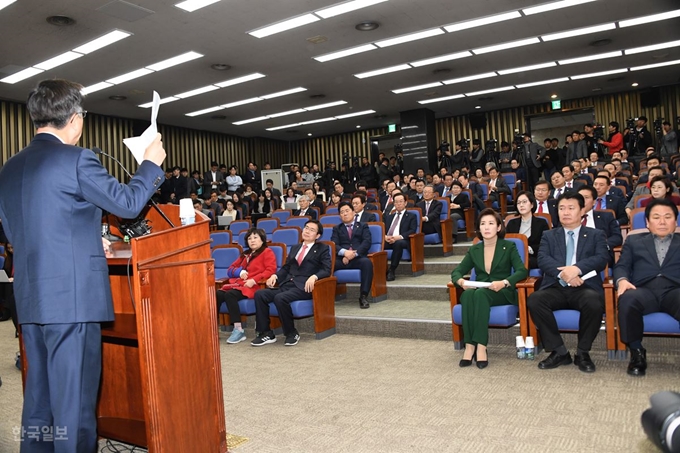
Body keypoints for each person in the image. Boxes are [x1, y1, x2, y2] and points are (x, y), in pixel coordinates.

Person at [0, 79, 166, 452]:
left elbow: (20, 231)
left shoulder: (9, 168)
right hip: (72, 302)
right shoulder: (77, 159)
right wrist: (150, 165)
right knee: (73, 406)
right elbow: (126, 204)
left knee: (40, 403)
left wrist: (88, 238)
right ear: (75, 120)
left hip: (30, 300)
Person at [527, 192, 609, 373]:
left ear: (582, 211)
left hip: (584, 286)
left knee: (594, 302)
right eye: (562, 208)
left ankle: (582, 352)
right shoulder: (549, 235)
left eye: (571, 208)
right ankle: (559, 351)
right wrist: (566, 274)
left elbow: (602, 258)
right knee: (535, 299)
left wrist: (576, 269)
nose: (565, 212)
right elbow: (543, 259)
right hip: (556, 286)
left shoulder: (595, 235)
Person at [451, 209, 527, 369]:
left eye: (491, 223)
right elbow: (457, 271)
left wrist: (505, 282)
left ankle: (480, 346)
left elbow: (522, 271)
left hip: (502, 291)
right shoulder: (474, 249)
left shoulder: (509, 246)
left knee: (479, 295)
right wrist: (460, 282)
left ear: (499, 227)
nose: (486, 227)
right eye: (483, 224)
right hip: (482, 290)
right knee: (466, 296)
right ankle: (469, 345)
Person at [615, 198, 680, 376]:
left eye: (668, 217)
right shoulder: (634, 241)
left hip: (675, 290)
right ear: (647, 222)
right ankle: (636, 352)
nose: (662, 221)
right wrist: (621, 280)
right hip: (643, 290)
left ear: (675, 220)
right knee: (627, 298)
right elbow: (622, 266)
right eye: (656, 217)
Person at [252, 220, 331, 346]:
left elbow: (326, 270)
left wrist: (314, 277)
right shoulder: (295, 248)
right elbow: (286, 268)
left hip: (305, 287)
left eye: (312, 230)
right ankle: (265, 333)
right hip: (288, 284)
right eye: (306, 228)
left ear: (318, 235)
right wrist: (275, 276)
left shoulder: (322, 248)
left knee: (280, 298)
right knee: (260, 294)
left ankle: (291, 333)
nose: (307, 231)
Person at [216, 228, 277, 344]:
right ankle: (213, 328)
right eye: (249, 238)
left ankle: (238, 329)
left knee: (230, 295)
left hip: (256, 285)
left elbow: (270, 270)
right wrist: (240, 272)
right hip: (241, 284)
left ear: (262, 240)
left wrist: (254, 280)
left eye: (255, 237)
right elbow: (230, 269)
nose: (252, 240)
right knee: (218, 294)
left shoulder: (267, 252)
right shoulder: (245, 254)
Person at [332, 202, 374, 309]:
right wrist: (345, 253)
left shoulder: (363, 226)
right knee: (327, 264)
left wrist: (353, 254)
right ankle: (326, 296)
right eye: (342, 212)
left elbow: (366, 242)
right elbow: (334, 244)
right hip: (342, 259)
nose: (345, 214)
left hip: (358, 258)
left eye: (347, 211)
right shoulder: (337, 228)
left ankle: (363, 296)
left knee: (367, 263)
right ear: (339, 216)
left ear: (354, 212)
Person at [578, 185, 622, 267]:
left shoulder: (606, 216)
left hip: (599, 255)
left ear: (594, 201)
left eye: (586, 197)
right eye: (580, 198)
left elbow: (617, 237)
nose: (582, 201)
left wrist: (601, 245)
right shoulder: (568, 218)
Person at [506, 191, 549, 269]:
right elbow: (505, 242)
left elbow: (545, 245)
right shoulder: (511, 223)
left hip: (533, 257)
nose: (521, 205)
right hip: (514, 256)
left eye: (524, 202)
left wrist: (529, 249)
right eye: (518, 203)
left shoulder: (541, 223)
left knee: (523, 262)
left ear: (532, 204)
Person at [384, 193, 417, 282]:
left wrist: (398, 237)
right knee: (377, 245)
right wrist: (385, 237)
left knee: (398, 244)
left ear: (405, 203)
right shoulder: (388, 217)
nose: (398, 204)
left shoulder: (411, 216)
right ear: (393, 203)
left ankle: (392, 270)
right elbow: (383, 229)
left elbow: (412, 230)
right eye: (396, 202)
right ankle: (379, 271)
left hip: (402, 240)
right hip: (388, 240)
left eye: (401, 202)